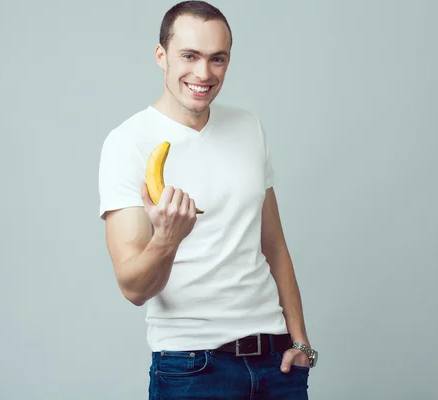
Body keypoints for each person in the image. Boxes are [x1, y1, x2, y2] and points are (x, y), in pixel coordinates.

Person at [97, 1, 317, 398]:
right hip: (191, 366)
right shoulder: (128, 143)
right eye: (189, 56)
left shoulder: (250, 127)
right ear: (161, 56)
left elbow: (273, 244)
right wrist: (167, 237)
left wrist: (299, 340)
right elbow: (132, 288)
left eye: (218, 59)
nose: (203, 73)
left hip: (275, 360)